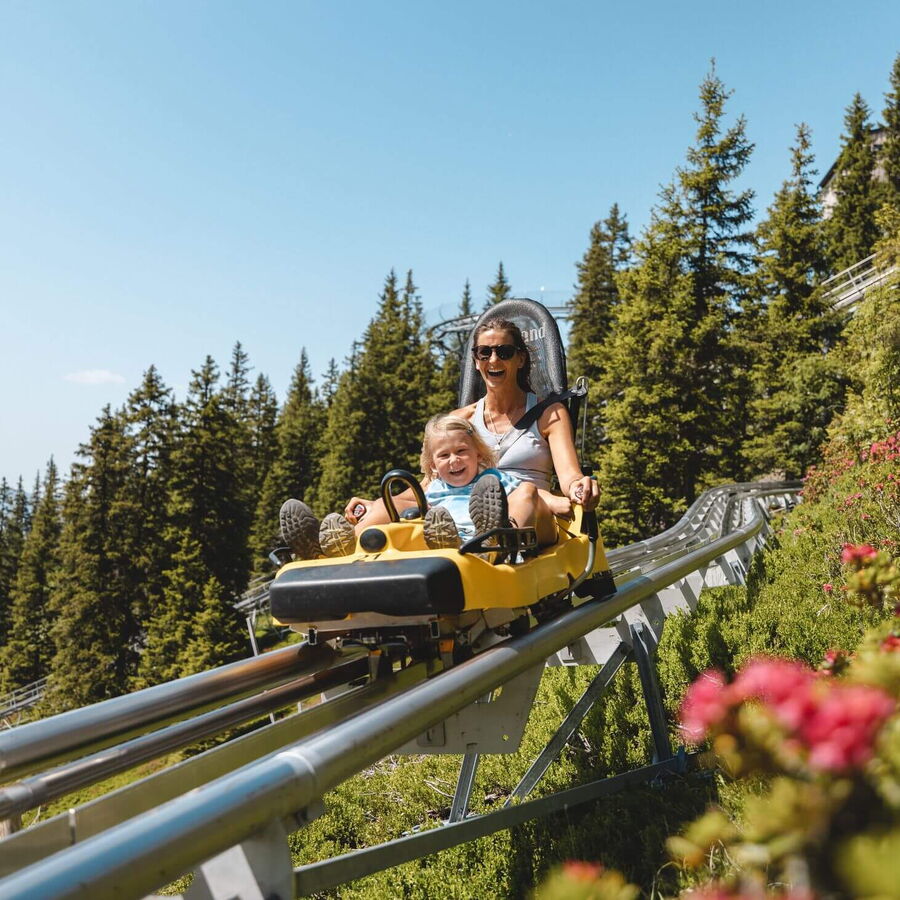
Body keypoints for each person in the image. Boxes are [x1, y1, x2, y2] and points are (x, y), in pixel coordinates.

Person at [343, 317, 598, 532]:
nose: (494, 360)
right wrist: (380, 503)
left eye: (504, 352)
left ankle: (496, 541)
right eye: (484, 352)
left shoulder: (549, 414)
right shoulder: (459, 421)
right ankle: (341, 552)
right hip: (461, 512)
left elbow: (569, 476)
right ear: (476, 361)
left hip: (534, 516)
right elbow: (430, 487)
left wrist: (580, 489)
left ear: (520, 359)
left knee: (525, 494)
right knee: (381, 513)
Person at [278, 413, 555, 560]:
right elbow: (399, 503)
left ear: (478, 455)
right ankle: (335, 549)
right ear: (433, 465)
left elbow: (531, 495)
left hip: (488, 540)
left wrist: (565, 502)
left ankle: (496, 542)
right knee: (394, 504)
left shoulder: (491, 479)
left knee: (525, 492)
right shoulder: (433, 489)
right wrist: (372, 506)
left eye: (462, 452)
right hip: (443, 538)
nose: (454, 460)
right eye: (444, 456)